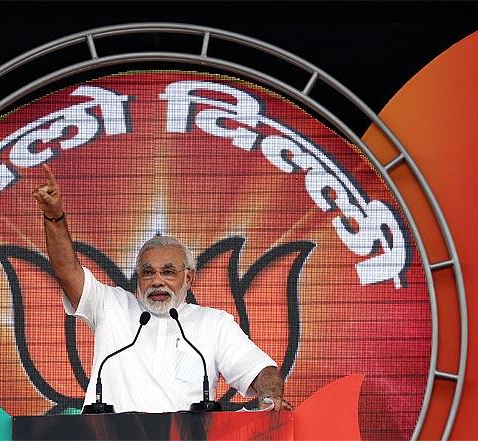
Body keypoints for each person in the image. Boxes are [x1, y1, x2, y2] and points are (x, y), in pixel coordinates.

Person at [32, 164, 292, 413]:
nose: (157, 281)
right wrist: (54, 218)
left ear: (189, 278)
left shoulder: (214, 324)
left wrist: (269, 396)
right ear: (138, 278)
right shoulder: (111, 306)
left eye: (168, 272)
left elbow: (259, 370)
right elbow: (67, 272)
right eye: (148, 272)